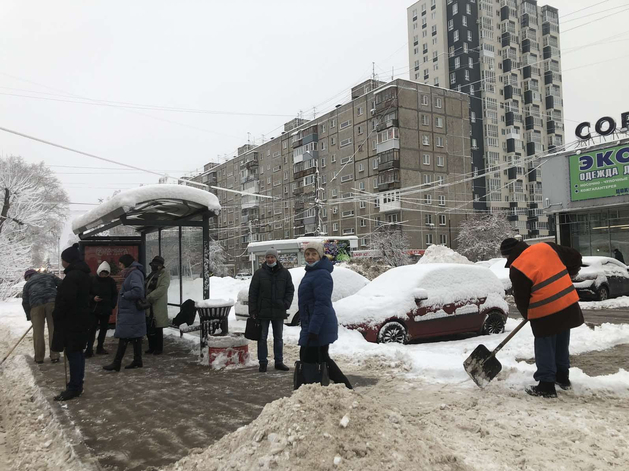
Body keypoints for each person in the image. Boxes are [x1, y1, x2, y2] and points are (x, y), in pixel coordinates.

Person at [501, 238, 584, 398]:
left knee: (544, 345)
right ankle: (562, 378)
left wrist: (528, 315)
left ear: (510, 255)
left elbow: (521, 298)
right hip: (567, 303)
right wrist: (571, 272)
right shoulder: (546, 247)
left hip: (545, 310)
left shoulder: (517, 267)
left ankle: (546, 385)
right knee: (561, 340)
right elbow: (575, 256)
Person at [297, 241, 352, 389]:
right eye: (307, 254)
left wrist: (313, 329)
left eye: (313, 254)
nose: (310, 257)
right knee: (320, 359)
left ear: (320, 255)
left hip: (318, 325)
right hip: (313, 324)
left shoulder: (321, 274)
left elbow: (321, 304)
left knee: (312, 358)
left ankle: (312, 388)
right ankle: (325, 388)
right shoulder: (311, 272)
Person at [51, 243, 92, 401]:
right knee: (78, 352)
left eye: (62, 259)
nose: (61, 262)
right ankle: (77, 384)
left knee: (73, 353)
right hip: (81, 319)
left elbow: (66, 300)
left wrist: (57, 313)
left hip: (72, 321)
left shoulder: (73, 276)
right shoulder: (83, 274)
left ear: (67, 260)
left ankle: (74, 387)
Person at [248, 248, 294, 372]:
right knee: (262, 338)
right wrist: (253, 310)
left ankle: (279, 362)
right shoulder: (259, 273)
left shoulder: (284, 273)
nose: (270, 259)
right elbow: (253, 292)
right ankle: (262, 362)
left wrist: (286, 304)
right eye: (268, 257)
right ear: (265, 258)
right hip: (262, 312)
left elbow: (290, 290)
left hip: (278, 311)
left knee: (278, 338)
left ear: (276, 258)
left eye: (272, 257)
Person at [103, 254, 146, 372]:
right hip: (132, 311)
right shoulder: (132, 273)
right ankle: (138, 360)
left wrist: (124, 295)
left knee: (124, 336)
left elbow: (138, 291)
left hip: (130, 311)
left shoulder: (134, 273)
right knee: (136, 336)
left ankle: (117, 363)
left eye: (121, 263)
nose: (119, 266)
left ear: (126, 263)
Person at [22, 269, 62, 364]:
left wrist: (30, 316)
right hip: (52, 303)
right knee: (53, 330)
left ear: (28, 277)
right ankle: (55, 356)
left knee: (38, 333)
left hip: (36, 306)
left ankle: (39, 358)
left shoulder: (27, 284)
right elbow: (62, 284)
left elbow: (25, 302)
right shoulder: (49, 276)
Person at [85, 261, 118, 358]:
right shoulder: (92, 280)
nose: (103, 275)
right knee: (92, 330)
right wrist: (93, 298)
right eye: (102, 273)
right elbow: (87, 293)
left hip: (105, 309)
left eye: (105, 274)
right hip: (94, 309)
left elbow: (114, 294)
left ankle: (100, 347)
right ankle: (89, 348)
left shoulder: (111, 281)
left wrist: (112, 304)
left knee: (103, 329)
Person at [145, 255, 170, 355]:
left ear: (160, 265)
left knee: (157, 327)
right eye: (152, 264)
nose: (153, 266)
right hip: (149, 304)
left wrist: (150, 296)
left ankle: (158, 348)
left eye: (155, 265)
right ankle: (151, 347)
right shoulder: (152, 274)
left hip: (158, 304)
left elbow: (162, 288)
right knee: (149, 325)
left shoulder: (164, 274)